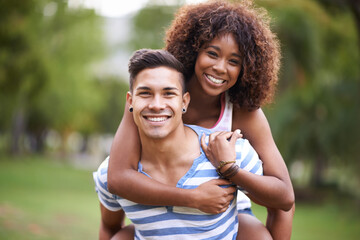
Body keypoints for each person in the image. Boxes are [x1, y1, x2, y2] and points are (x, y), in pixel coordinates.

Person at [107, 1, 295, 239]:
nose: (220, 68)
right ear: (194, 50)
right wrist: (193, 198)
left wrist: (230, 170)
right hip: (158, 202)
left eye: (233, 61)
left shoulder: (243, 113)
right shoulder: (157, 96)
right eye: (212, 53)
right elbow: (117, 177)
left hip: (222, 210)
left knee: (256, 235)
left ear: (246, 68)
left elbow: (284, 196)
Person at [94, 49, 265, 239]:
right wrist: (192, 198)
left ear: (184, 101)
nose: (156, 105)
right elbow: (109, 228)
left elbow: (282, 203)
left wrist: (231, 169)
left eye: (168, 93)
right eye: (145, 93)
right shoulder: (109, 174)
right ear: (130, 101)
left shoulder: (231, 154)